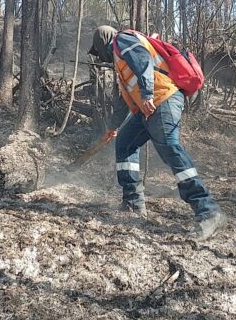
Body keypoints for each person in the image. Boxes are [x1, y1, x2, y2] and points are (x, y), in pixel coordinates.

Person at [88, 25, 226, 241]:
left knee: (169, 147)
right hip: (149, 106)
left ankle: (208, 210)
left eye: (98, 51)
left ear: (101, 42)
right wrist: (113, 127)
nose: (101, 57)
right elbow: (122, 101)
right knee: (125, 143)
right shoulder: (119, 60)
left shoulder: (121, 40)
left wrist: (147, 94)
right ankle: (133, 202)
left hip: (161, 99)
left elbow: (143, 60)